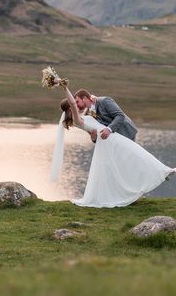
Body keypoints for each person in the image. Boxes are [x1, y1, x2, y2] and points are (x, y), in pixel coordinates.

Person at [52, 77, 175, 208]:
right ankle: (160, 173)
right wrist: (63, 86)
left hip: (113, 137)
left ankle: (160, 173)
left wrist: (101, 132)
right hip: (109, 141)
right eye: (74, 104)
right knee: (135, 157)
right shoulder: (78, 119)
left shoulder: (91, 109)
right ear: (70, 108)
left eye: (77, 102)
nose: (77, 105)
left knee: (134, 157)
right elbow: (90, 130)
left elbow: (109, 120)